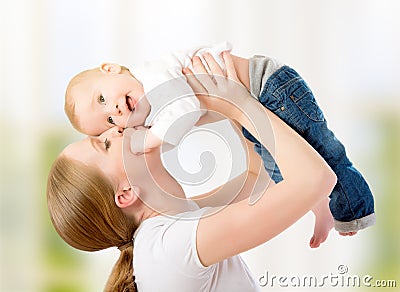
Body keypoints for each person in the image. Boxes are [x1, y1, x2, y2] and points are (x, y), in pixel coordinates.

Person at [47, 53, 337, 291]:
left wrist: (207, 101)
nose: (118, 128)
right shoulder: (167, 251)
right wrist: (237, 104)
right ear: (125, 193)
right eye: (105, 143)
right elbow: (316, 179)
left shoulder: (171, 225)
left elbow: (256, 173)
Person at [63, 43, 375, 236]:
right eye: (108, 122)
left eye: (102, 98)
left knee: (325, 154)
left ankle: (357, 214)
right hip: (256, 105)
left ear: (111, 68)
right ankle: (321, 209)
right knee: (283, 171)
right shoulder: (148, 103)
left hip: (269, 87)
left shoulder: (154, 78)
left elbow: (188, 106)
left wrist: (152, 139)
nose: (115, 111)